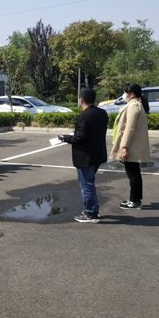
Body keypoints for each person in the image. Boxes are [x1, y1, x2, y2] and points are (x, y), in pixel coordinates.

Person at [59, 87, 108, 223]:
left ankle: (91, 213)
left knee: (86, 185)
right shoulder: (102, 113)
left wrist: (65, 138)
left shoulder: (84, 115)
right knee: (89, 183)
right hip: (98, 154)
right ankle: (93, 210)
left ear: (81, 100)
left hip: (85, 156)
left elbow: (79, 137)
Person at [110, 83, 150, 210]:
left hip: (132, 146)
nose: (124, 95)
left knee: (133, 174)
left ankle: (135, 201)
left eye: (125, 93)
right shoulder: (136, 104)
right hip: (133, 145)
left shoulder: (133, 106)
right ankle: (135, 199)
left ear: (132, 94)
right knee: (134, 173)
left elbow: (129, 128)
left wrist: (124, 147)